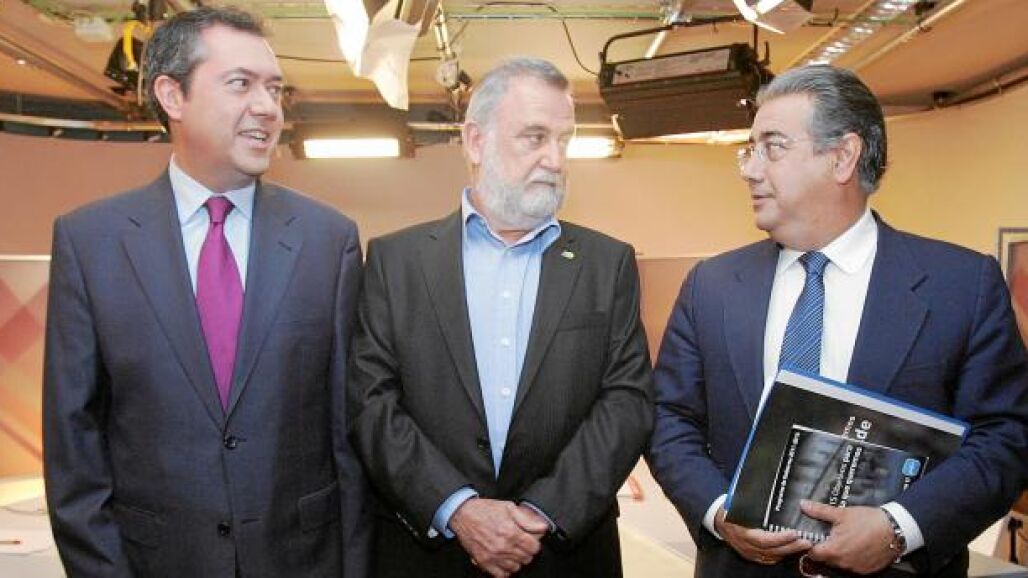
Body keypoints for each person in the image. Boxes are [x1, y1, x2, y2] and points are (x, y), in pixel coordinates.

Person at [648, 64, 1028, 577]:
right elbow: (669, 420)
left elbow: (1005, 436)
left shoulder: (962, 285)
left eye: (772, 147)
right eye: (749, 149)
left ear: (843, 156)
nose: (749, 169)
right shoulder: (710, 287)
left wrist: (899, 528)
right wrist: (720, 512)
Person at [42, 7, 370, 577]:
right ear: (172, 95)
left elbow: (349, 434)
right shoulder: (91, 241)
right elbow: (75, 444)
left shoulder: (328, 240)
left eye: (274, 89)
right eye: (241, 84)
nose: (267, 108)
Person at [347, 57, 653, 578]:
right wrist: (457, 508)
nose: (555, 159)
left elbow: (627, 402)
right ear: (475, 141)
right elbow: (371, 403)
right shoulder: (395, 262)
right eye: (534, 137)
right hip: (428, 555)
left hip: (563, 552)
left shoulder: (608, 264)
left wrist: (542, 513)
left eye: (564, 140)